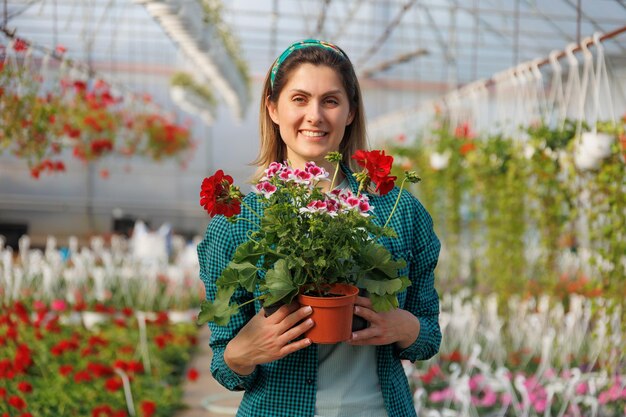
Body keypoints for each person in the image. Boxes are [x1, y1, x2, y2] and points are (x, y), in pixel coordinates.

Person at [197, 39, 441, 417]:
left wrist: (406, 328)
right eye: (299, 99)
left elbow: (428, 337)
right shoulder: (239, 221)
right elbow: (225, 367)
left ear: (349, 112)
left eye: (330, 100)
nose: (315, 115)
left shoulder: (400, 212)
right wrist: (243, 351)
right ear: (273, 109)